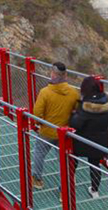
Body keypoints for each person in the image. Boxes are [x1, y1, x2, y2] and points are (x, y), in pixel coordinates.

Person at [31, 62, 79, 190]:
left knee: (39, 153)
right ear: (66, 75)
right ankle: (65, 189)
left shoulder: (45, 92)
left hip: (47, 131)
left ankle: (37, 180)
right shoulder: (74, 93)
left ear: (52, 74)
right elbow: (77, 111)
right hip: (65, 133)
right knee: (63, 160)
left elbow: (37, 113)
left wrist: (39, 123)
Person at [69, 76, 108, 199]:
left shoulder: (87, 107)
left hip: (83, 141)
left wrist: (73, 115)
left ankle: (68, 184)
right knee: (94, 165)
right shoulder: (106, 102)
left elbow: (76, 124)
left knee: (73, 160)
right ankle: (95, 190)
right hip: (100, 141)